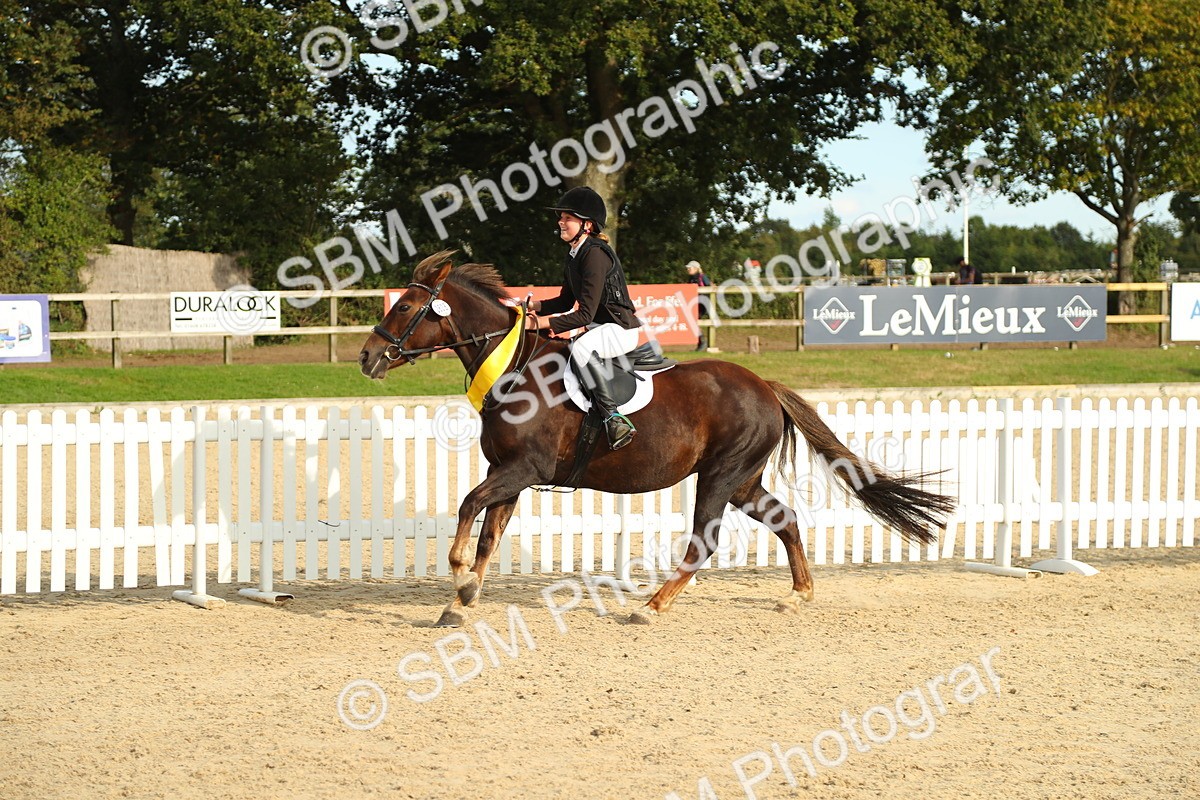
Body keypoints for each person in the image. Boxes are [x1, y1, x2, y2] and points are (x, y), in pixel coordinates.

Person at [525, 186, 641, 450]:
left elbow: (584, 314)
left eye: (568, 217)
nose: (560, 222)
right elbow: (565, 301)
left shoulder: (595, 254)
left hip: (619, 329)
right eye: (561, 217)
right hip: (601, 327)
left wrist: (539, 323)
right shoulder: (575, 253)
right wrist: (534, 306)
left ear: (586, 225)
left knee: (581, 347)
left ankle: (614, 418)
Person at [685, 260, 712, 351]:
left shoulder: (702, 277)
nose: (688, 269)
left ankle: (702, 342)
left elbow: (710, 287)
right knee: (694, 322)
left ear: (696, 268)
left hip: (702, 304)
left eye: (690, 268)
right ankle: (701, 342)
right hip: (694, 303)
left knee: (695, 322)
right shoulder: (691, 278)